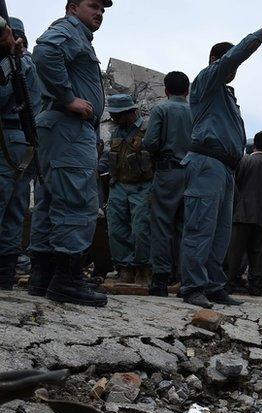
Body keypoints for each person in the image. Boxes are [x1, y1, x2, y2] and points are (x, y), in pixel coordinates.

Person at [179, 5, 262, 309]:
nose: (234, 69)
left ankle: (213, 285)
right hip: (206, 164)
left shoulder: (226, 95)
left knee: (219, 232)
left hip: (225, 169)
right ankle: (192, 287)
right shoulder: (206, 82)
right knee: (200, 228)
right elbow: (234, 56)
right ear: (217, 61)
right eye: (229, 63)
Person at [28, 0, 112, 307]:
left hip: (59, 127)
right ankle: (67, 281)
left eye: (103, 10)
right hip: (68, 126)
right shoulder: (68, 31)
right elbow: (45, 53)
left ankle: (43, 277)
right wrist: (68, 99)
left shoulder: (78, 36)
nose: (99, 13)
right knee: (77, 200)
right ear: (72, 7)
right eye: (93, 6)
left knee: (51, 200)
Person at [0, 17, 42, 290]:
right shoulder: (24, 62)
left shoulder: (14, 63)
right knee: (14, 207)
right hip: (20, 142)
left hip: (9, 139)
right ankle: (4, 272)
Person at [144, 71, 192, 297]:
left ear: (165, 90)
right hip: (191, 174)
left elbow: (150, 142)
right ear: (188, 90)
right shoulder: (196, 111)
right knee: (186, 227)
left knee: (162, 224)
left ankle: (161, 279)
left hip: (167, 172)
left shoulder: (161, 109)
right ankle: (185, 280)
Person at [100, 94, 154, 287]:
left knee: (141, 229)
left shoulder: (147, 129)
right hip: (119, 186)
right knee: (116, 228)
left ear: (131, 113)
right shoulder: (116, 132)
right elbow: (109, 156)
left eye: (118, 115)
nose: (114, 119)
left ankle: (143, 269)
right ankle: (124, 268)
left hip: (142, 186)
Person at [226, 130, 262, 295]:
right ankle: (256, 286)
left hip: (241, 213)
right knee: (258, 253)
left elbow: (235, 183)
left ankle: (229, 282)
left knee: (235, 251)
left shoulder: (243, 161)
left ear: (254, 144)